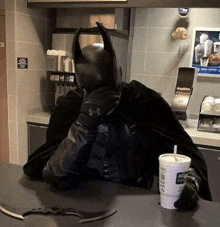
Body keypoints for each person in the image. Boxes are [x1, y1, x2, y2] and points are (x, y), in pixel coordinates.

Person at [23, 22, 212, 211]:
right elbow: (54, 174)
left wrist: (189, 181)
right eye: (94, 93)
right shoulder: (70, 107)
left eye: (109, 92)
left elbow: (190, 158)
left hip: (140, 204)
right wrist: (85, 122)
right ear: (82, 89)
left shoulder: (144, 102)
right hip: (79, 201)